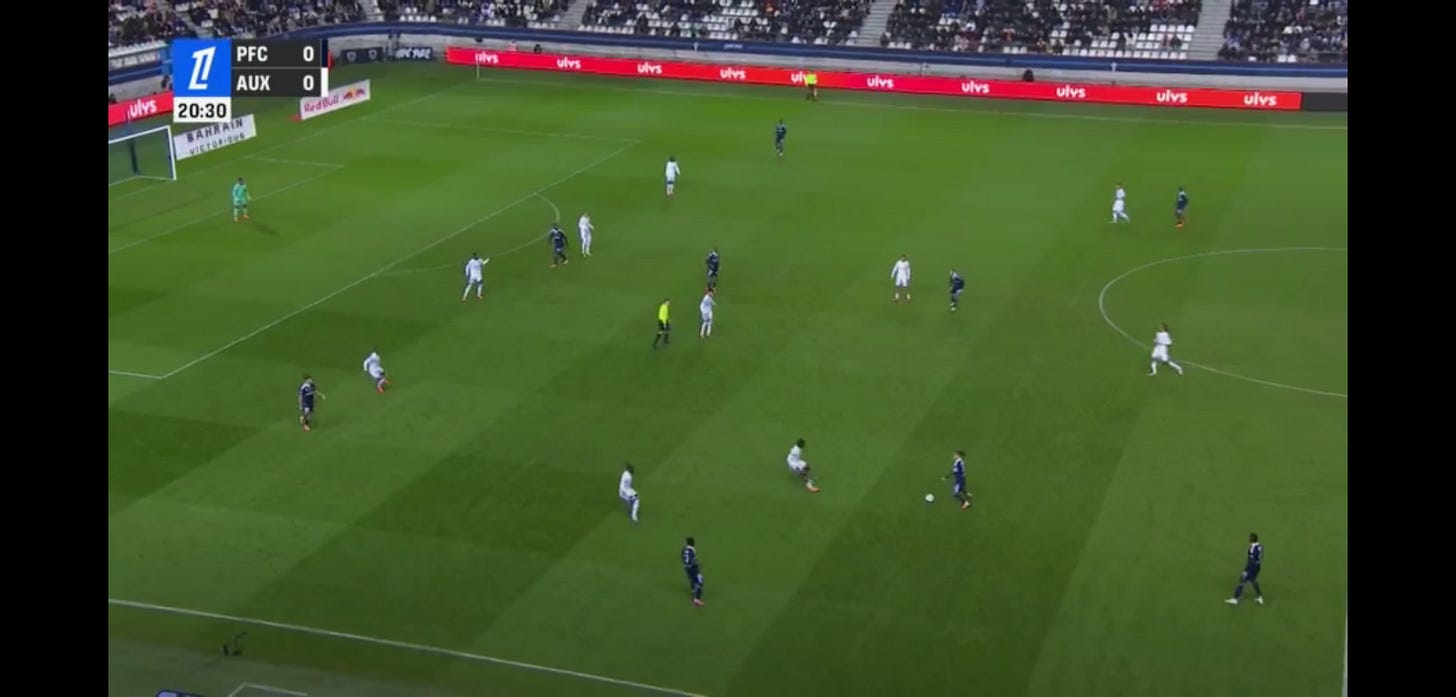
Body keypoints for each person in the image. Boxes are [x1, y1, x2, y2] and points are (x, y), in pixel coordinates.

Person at [1225, 533, 1265, 605]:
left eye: (1249, 538)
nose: (1248, 539)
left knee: (1242, 580)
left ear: (1251, 540)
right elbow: (1260, 557)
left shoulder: (1253, 548)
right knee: (1253, 580)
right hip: (1257, 566)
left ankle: (1235, 599)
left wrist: (1246, 571)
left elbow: (1252, 561)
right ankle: (1260, 597)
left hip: (1252, 567)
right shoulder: (1260, 546)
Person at [682, 537, 704, 606]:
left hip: (686, 567)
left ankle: (694, 590)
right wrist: (698, 565)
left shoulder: (684, 549)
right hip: (692, 568)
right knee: (700, 581)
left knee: (692, 579)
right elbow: (693, 559)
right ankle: (697, 600)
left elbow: (682, 557)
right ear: (693, 543)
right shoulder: (692, 549)